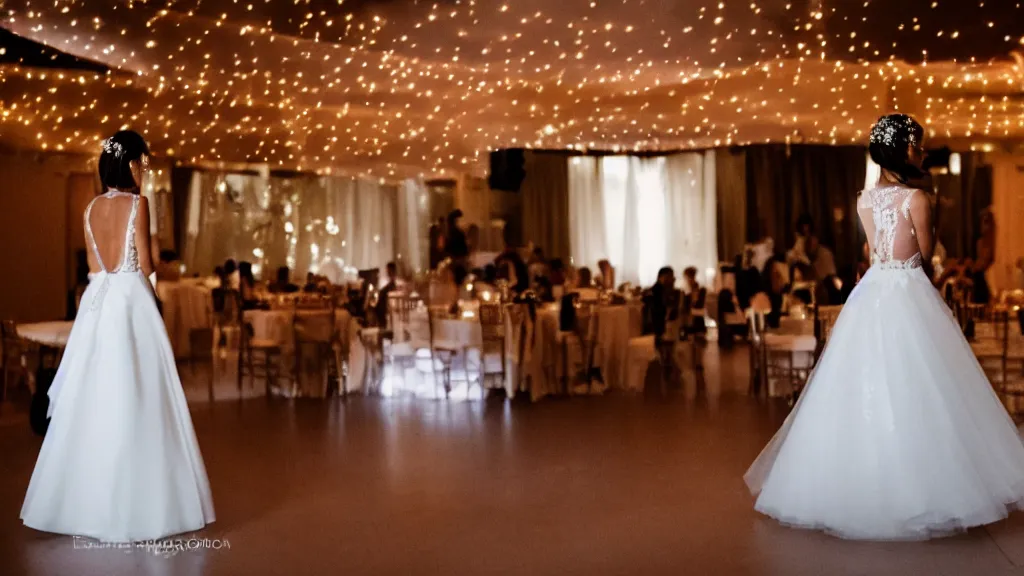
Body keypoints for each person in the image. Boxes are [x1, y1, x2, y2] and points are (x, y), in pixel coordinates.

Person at [745, 114, 1024, 541]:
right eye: (917, 145)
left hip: (873, 291)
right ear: (901, 150)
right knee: (925, 385)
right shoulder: (919, 199)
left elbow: (877, 249)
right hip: (909, 289)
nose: (923, 151)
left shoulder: (863, 199)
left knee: (864, 381)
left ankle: (859, 481)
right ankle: (925, 485)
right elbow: (926, 256)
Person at [21, 130, 214, 542]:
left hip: (99, 303)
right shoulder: (138, 204)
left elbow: (95, 266)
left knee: (95, 395)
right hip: (131, 301)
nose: (145, 169)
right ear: (129, 163)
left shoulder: (90, 208)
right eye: (142, 161)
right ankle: (141, 505)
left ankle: (83, 503)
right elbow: (144, 264)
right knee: (139, 394)